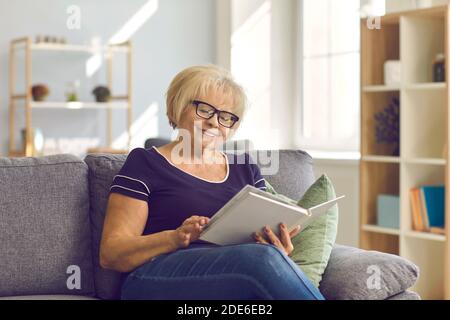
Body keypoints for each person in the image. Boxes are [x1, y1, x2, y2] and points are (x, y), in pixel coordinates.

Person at [99, 65, 324, 300]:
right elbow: (111, 253)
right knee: (262, 259)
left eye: (226, 117)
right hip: (154, 278)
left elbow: (260, 250)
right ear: (177, 106)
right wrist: (176, 237)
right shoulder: (145, 162)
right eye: (205, 110)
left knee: (267, 258)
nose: (215, 123)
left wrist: (279, 252)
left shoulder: (245, 167)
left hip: (236, 279)